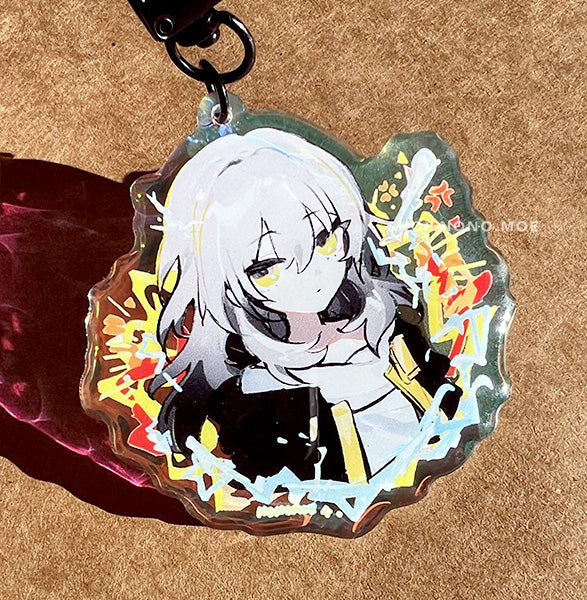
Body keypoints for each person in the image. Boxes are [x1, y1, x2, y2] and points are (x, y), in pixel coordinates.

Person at [149, 128, 460, 484]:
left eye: (324, 238)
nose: (312, 273)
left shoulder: (389, 324)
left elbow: (452, 405)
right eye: (266, 267)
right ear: (224, 285)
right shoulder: (257, 396)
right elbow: (280, 492)